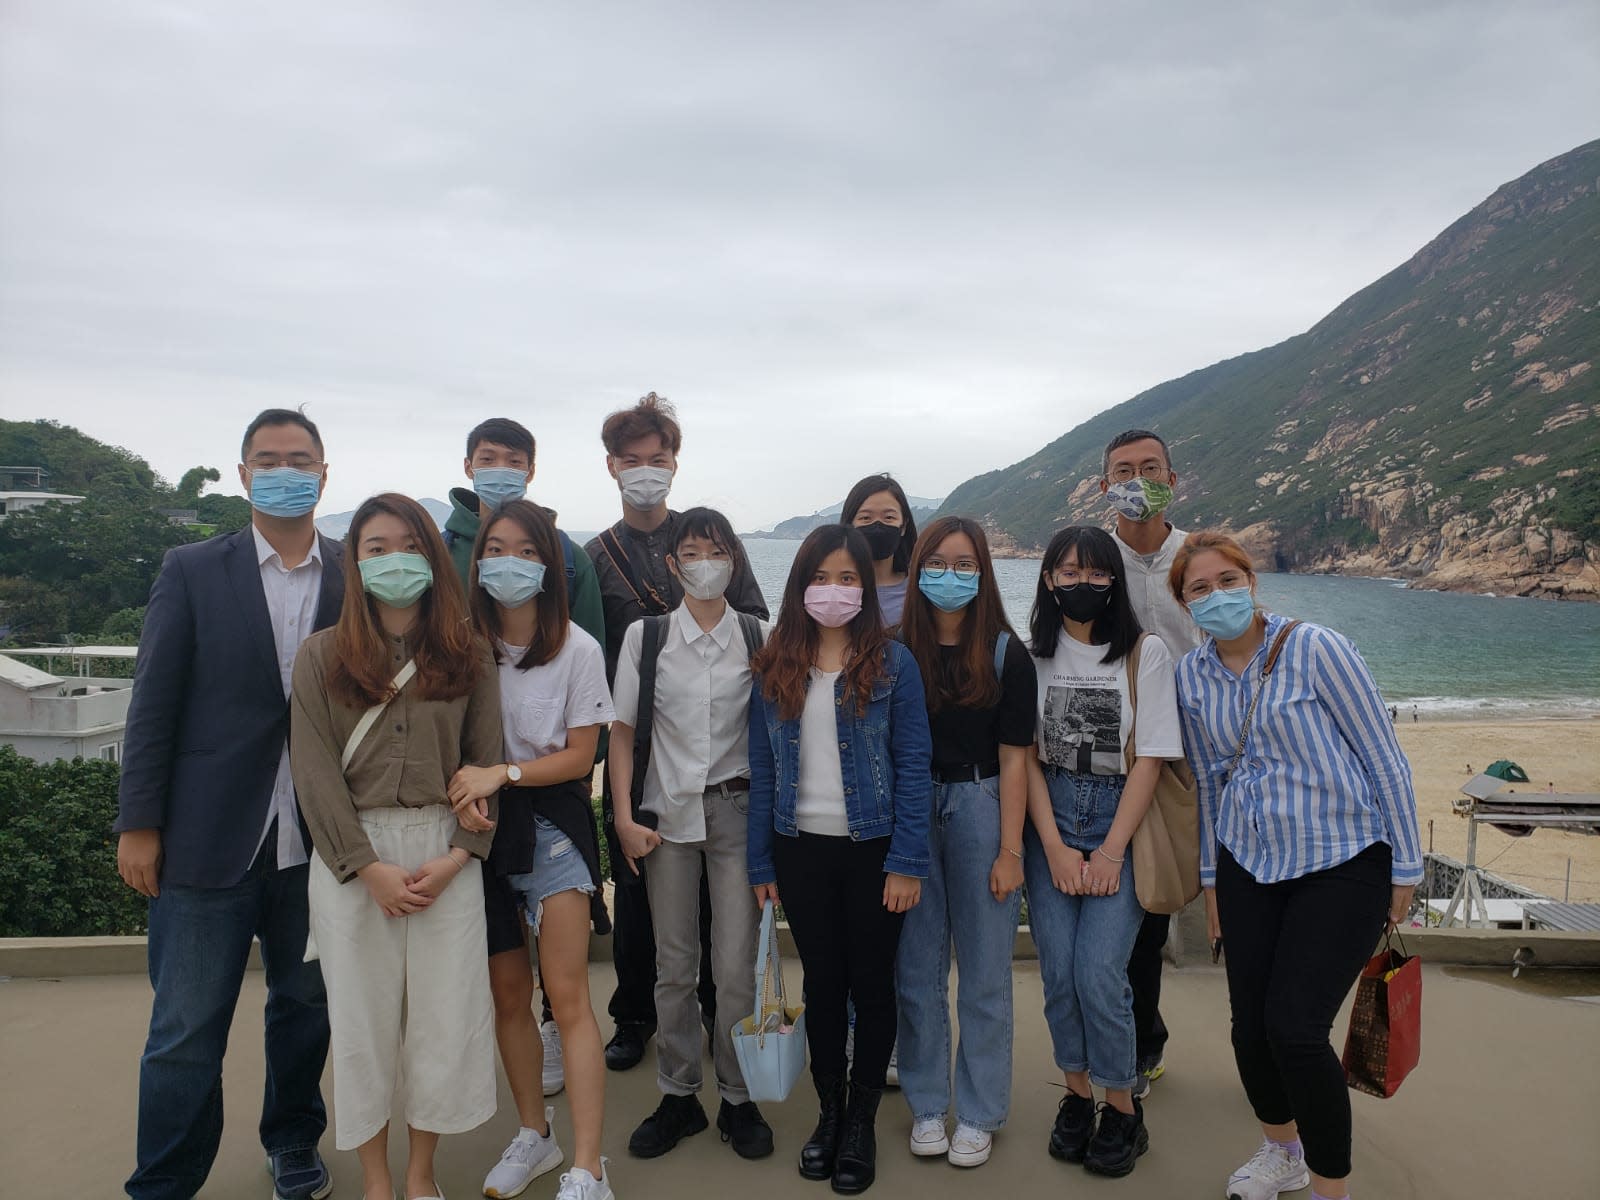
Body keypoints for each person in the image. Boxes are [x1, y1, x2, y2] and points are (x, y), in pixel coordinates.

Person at [116, 408, 342, 1200]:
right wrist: (139, 823)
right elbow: (153, 704)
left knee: (305, 1007)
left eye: (300, 459)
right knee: (184, 1028)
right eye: (268, 460)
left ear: (324, 474)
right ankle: (165, 1179)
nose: (285, 472)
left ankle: (293, 1139)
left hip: (318, 840)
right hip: (204, 836)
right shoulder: (191, 569)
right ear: (244, 475)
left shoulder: (354, 574)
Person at [1170, 530, 1423, 1200]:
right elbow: (1211, 783)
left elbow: (1383, 756)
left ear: (1251, 582)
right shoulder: (1191, 676)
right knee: (1250, 1031)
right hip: (1248, 863)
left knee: (1296, 1029)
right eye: (1199, 588)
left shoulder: (1316, 648)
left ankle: (1329, 1188)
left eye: (1228, 580)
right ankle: (1282, 1152)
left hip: (1342, 858)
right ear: (1184, 604)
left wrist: (1405, 866)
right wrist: (1212, 881)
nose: (1217, 595)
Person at [290, 493, 503, 1200]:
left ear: (434, 557)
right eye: (375, 548)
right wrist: (366, 868)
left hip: (446, 849)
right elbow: (314, 772)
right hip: (355, 854)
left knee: (444, 1020)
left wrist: (458, 857)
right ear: (353, 562)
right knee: (362, 1026)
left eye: (409, 546)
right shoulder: (321, 656)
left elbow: (485, 765)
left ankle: (420, 1176)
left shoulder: (470, 653)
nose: (394, 561)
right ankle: (377, 1181)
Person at [585, 392, 769, 1072]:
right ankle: (637, 1020)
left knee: (724, 924)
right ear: (612, 465)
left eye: (656, 458)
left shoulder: (707, 541)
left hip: (720, 765)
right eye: (631, 459)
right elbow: (584, 647)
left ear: (674, 463)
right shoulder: (596, 556)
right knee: (643, 908)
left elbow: (754, 633)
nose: (645, 470)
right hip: (641, 754)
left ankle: (723, 1030)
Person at [747, 524, 932, 1194]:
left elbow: (913, 765)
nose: (834, 590)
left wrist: (907, 859)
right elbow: (763, 769)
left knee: (872, 985)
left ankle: (861, 1121)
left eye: (847, 578)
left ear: (865, 588)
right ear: (800, 586)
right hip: (800, 850)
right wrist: (761, 864)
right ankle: (829, 1113)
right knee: (823, 986)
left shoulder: (894, 664)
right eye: (821, 577)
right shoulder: (776, 664)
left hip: (874, 850)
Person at [449, 499, 617, 1200]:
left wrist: (505, 773)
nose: (509, 563)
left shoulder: (579, 649)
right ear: (477, 559)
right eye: (496, 549)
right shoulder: (459, 646)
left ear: (550, 564)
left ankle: (589, 1166)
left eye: (526, 551)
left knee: (568, 996)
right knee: (508, 994)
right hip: (480, 833)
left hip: (552, 829)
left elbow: (581, 756)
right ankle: (534, 1133)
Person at [609, 508, 774, 1162]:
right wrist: (623, 817)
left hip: (738, 811)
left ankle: (738, 1096)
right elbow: (623, 731)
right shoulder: (646, 638)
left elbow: (781, 734)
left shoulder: (760, 637)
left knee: (734, 967)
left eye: (718, 550)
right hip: (667, 814)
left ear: (734, 560)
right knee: (673, 965)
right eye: (693, 552)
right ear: (673, 564)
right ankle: (679, 1095)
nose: (707, 563)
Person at [1025, 526, 1183, 1180]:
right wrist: (1055, 848)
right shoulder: (1030, 655)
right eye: (1068, 572)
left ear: (1114, 582)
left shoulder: (1145, 654)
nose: (1081, 584)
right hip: (1052, 820)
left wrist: (1112, 851)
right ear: (1048, 580)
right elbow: (1025, 759)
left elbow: (1151, 759)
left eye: (1095, 573)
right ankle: (1076, 1094)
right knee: (1060, 974)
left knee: (1099, 972)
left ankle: (1121, 1107)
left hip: (1122, 819)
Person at [894, 516, 1034, 1168]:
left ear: (982, 572)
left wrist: (1011, 851)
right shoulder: (896, 650)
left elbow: (1015, 759)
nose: (949, 576)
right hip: (912, 808)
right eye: (937, 563)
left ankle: (978, 1112)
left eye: (964, 564)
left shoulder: (1007, 653)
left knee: (984, 974)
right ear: (918, 568)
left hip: (982, 804)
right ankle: (927, 1104)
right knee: (916, 970)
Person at [1099, 428, 1203, 1100]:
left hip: (1188, 758)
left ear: (1173, 477)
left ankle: (1149, 1042)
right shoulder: (1093, 558)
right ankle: (1134, 1043)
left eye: (1150, 468)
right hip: (1112, 758)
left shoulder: (1195, 558)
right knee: (1127, 913)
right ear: (1104, 484)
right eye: (1123, 471)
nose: (1138, 481)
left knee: (1162, 900)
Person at [839, 474, 918, 626]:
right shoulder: (832, 588)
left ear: (903, 526)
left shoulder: (919, 590)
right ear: (849, 525)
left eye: (889, 517)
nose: (877, 526)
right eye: (865, 518)